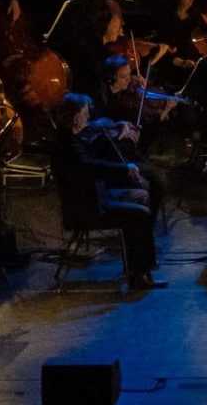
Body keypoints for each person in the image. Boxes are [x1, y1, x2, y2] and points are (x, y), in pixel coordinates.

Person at [51, 94, 164, 289]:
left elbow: (93, 151)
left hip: (96, 195)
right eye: (85, 115)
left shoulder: (73, 135)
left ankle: (140, 268)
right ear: (76, 118)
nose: (89, 119)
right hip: (87, 208)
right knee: (140, 213)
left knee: (143, 195)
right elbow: (90, 165)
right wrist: (123, 168)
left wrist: (115, 134)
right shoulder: (68, 144)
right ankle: (138, 275)